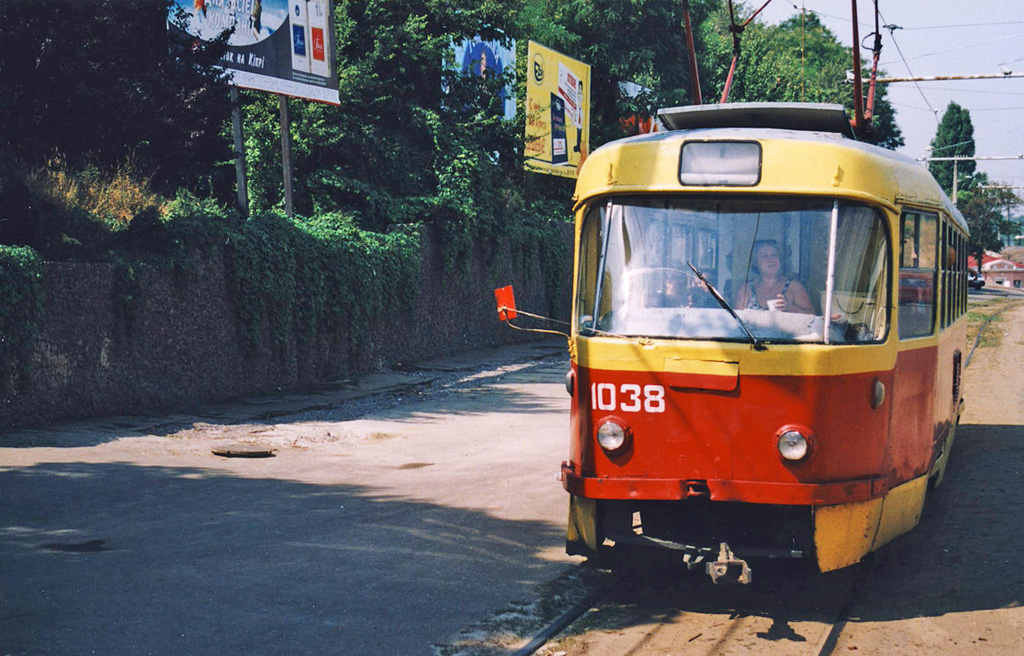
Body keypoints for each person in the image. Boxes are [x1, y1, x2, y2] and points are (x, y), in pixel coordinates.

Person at [735, 240, 815, 314]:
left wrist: (789, 308)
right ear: (755, 262)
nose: (771, 259)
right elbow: (737, 319)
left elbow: (812, 315)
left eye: (774, 255)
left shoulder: (794, 286)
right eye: (764, 256)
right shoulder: (747, 288)